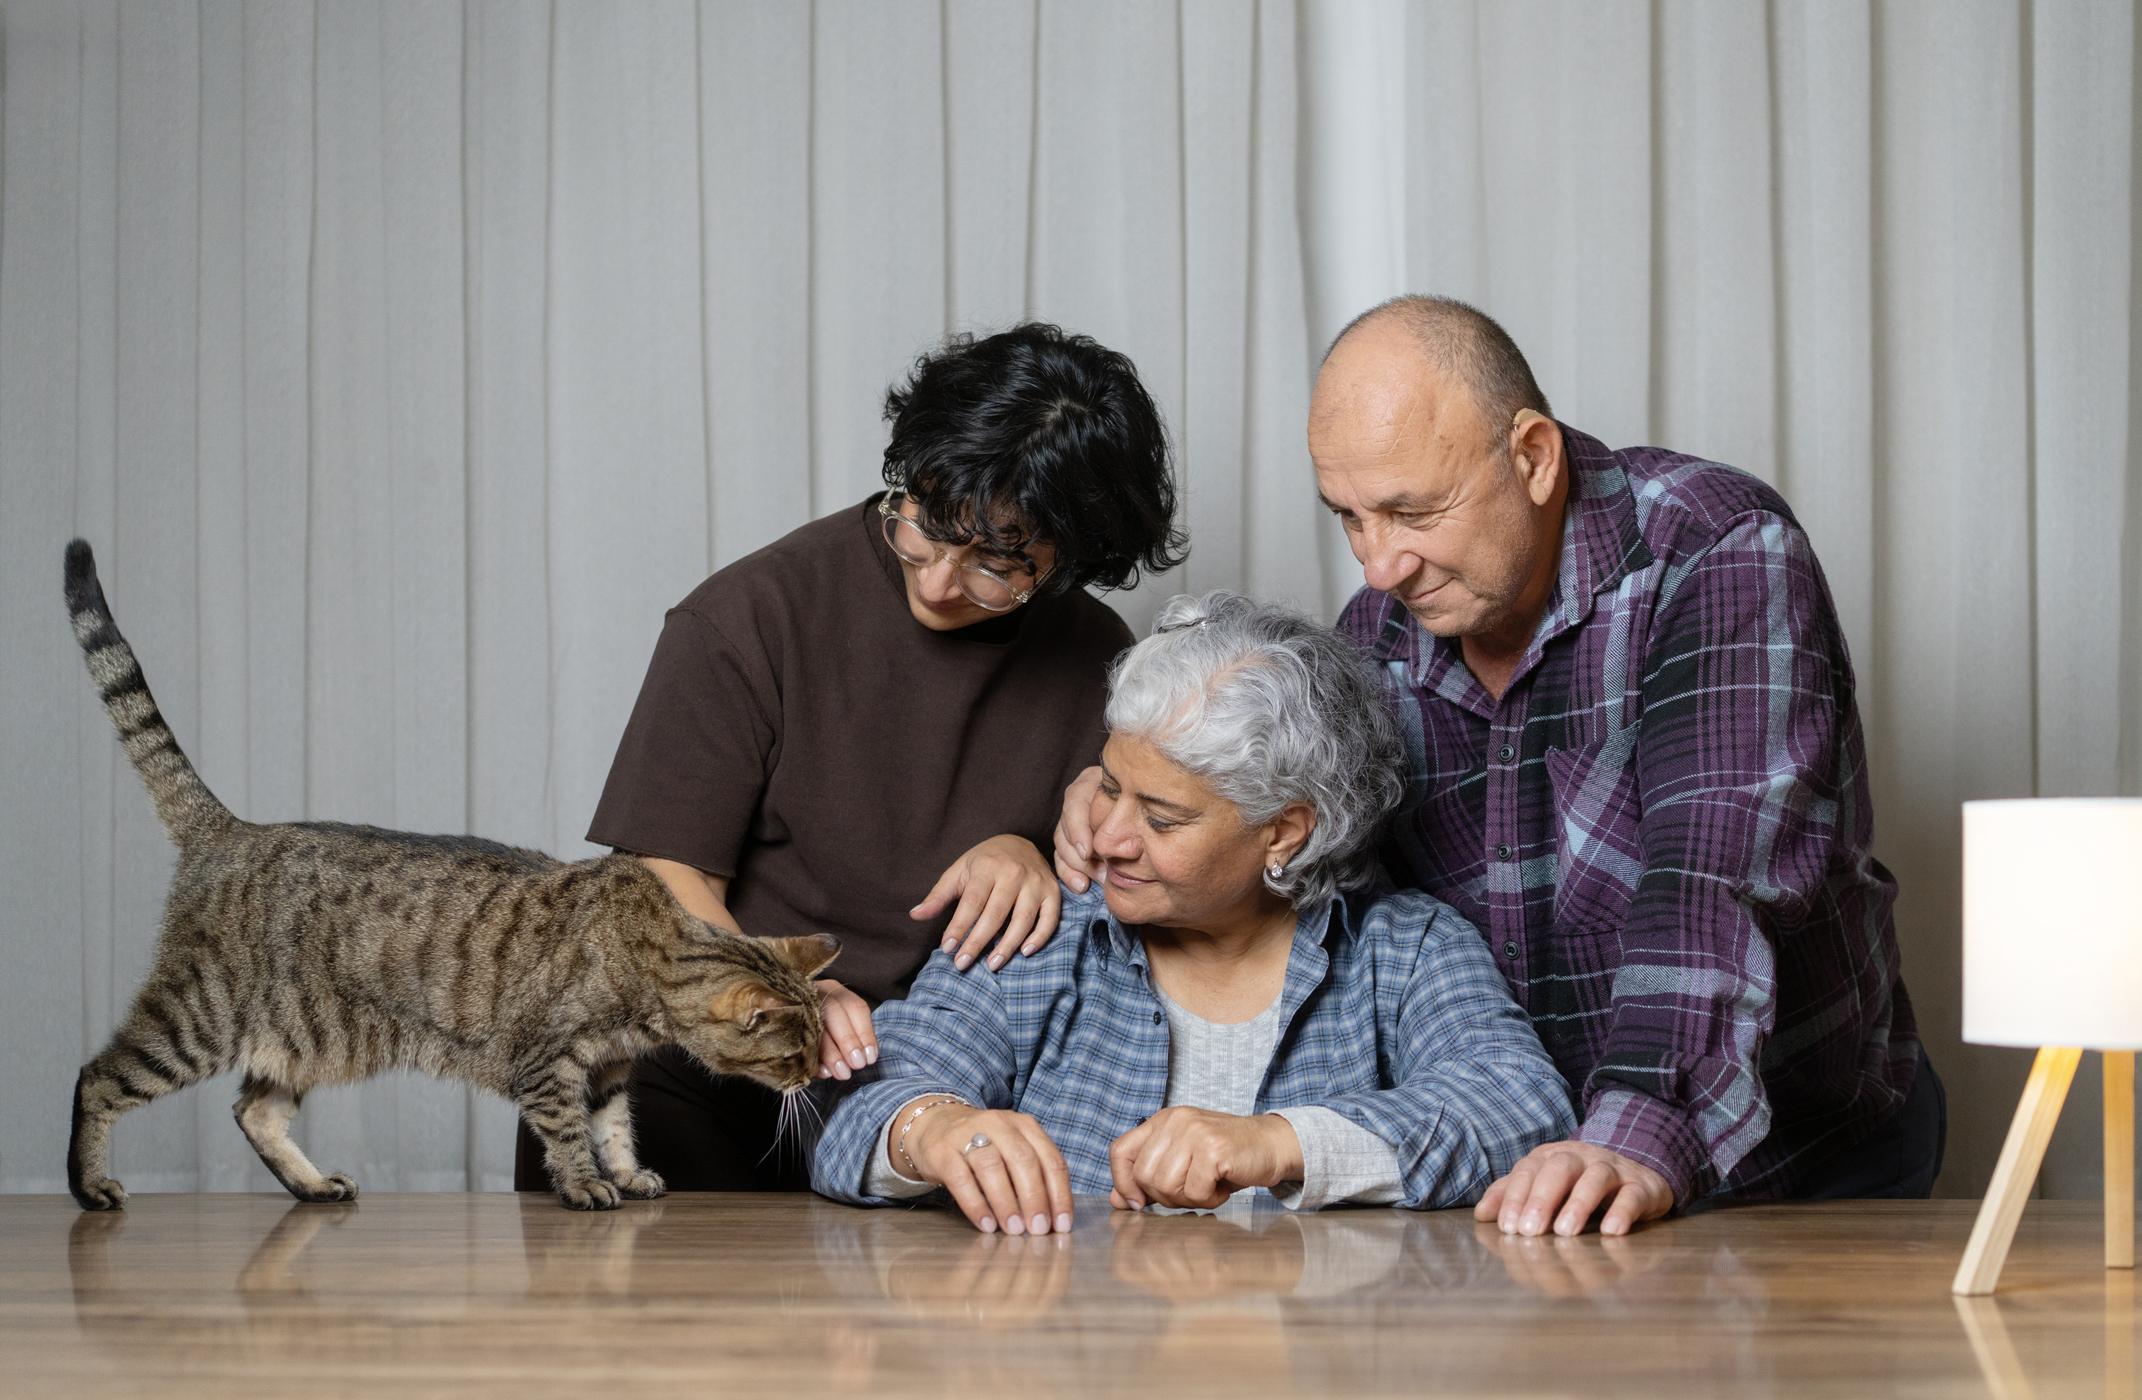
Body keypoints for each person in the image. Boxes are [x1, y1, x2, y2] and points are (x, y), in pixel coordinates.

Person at [1055, 295, 1939, 1237]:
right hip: (1542, 1182)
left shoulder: (1712, 551)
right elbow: (1331, 901)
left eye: (1412, 511)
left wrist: (1638, 1129)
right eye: (1350, 519)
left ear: (1532, 457)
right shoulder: (1376, 638)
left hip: (1796, 1154)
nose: (1381, 565)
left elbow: (1712, 879)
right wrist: (1126, 798)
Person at [515, 322, 1186, 1193]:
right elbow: (656, 879)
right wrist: (782, 997)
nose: (941, 581)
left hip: (928, 1087)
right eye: (925, 526)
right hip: (702, 1069)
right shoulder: (749, 617)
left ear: (1072, 554)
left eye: (997, 562)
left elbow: (1119, 881)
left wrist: (1032, 858)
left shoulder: (1100, 658)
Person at [814, 592, 1574, 1233]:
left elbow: (1524, 1109)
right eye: (1108, 786)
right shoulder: (1041, 928)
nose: (1108, 839)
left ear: (1284, 830)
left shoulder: (1406, 949)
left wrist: (1279, 1145)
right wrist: (934, 1129)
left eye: (1163, 819)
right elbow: (852, 1114)